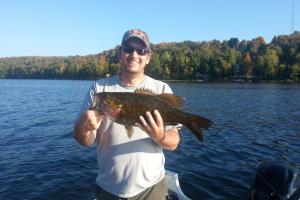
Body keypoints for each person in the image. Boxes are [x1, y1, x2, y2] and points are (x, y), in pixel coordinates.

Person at [73, 28, 180, 200]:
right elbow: (85, 141)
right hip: (108, 189)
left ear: (148, 57)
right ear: (120, 53)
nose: (134, 55)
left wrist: (160, 136)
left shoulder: (161, 89)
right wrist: (83, 127)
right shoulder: (99, 89)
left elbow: (173, 143)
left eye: (141, 50)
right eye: (128, 49)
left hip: (151, 189)